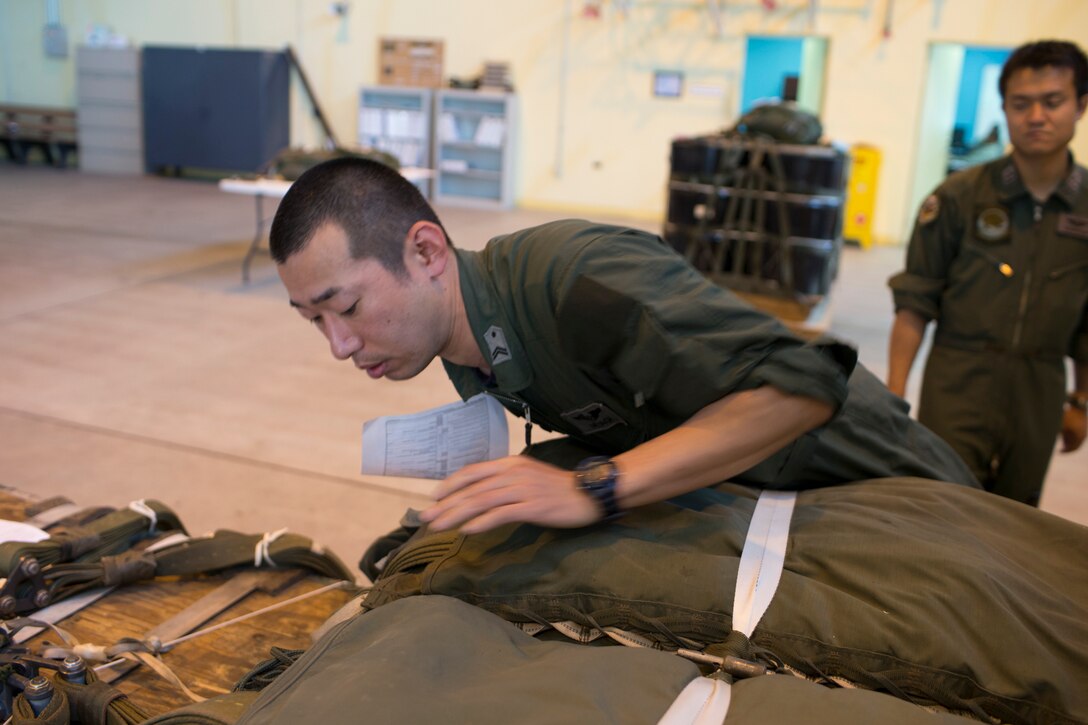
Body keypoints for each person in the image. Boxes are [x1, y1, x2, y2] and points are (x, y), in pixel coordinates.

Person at [270, 158, 977, 535]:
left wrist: (596, 488)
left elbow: (801, 387)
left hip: (887, 484)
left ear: (426, 251)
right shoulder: (461, 343)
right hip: (773, 503)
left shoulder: (577, 281)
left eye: (348, 306)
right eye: (314, 320)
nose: (338, 344)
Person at [888, 40, 1088, 506]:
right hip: (959, 378)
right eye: (1021, 104)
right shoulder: (959, 198)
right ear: (1004, 109)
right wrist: (894, 395)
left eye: (1052, 102)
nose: (1036, 116)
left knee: (1016, 515)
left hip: (1040, 384)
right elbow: (915, 301)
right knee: (943, 504)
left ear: (1080, 105)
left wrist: (1080, 401)